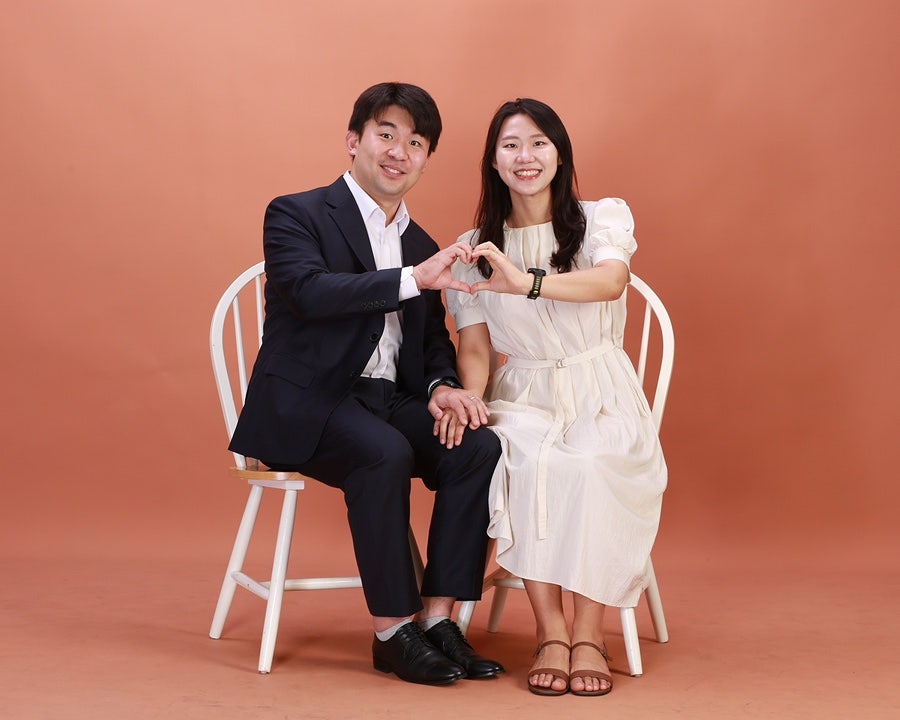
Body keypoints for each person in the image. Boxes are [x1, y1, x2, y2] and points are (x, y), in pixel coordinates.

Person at [229, 82, 504, 686]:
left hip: (389, 401)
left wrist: (441, 386)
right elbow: (308, 291)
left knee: (477, 446)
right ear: (354, 141)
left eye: (416, 143)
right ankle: (391, 631)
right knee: (384, 453)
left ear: (426, 159)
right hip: (309, 402)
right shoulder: (297, 212)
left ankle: (438, 620)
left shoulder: (420, 244)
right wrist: (410, 279)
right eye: (386, 135)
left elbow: (431, 340)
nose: (399, 152)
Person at [445, 98, 667, 696]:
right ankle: (551, 632)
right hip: (522, 392)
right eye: (511, 145)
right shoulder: (474, 248)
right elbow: (474, 346)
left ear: (560, 155)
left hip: (601, 387)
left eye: (539, 142)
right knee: (526, 461)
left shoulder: (599, 219)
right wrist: (472, 398)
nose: (526, 156)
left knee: (589, 463)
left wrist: (527, 282)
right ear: (494, 161)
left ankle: (589, 633)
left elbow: (612, 281)